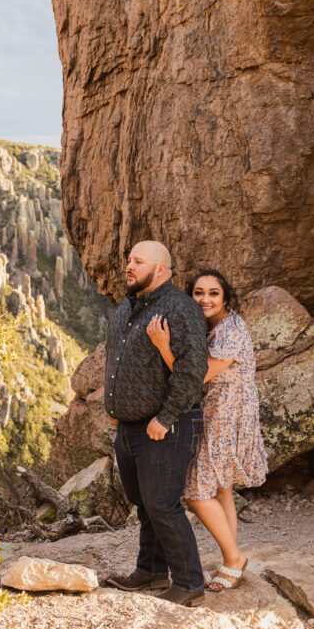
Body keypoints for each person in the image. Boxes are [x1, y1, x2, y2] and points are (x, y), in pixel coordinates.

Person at [146, 269, 268, 592]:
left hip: (227, 416)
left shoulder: (231, 330)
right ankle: (231, 560)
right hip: (220, 412)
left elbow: (196, 376)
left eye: (213, 293)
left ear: (225, 298)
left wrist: (162, 345)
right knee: (221, 488)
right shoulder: (212, 326)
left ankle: (234, 557)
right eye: (198, 293)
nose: (205, 299)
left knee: (196, 492)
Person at [102, 241, 209, 607]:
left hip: (166, 426)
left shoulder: (180, 309)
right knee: (144, 504)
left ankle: (190, 581)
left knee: (162, 503)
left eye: (137, 262)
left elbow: (193, 371)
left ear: (160, 270)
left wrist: (166, 417)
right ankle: (150, 570)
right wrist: (114, 404)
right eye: (128, 260)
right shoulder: (128, 306)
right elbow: (116, 358)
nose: (128, 266)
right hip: (130, 427)